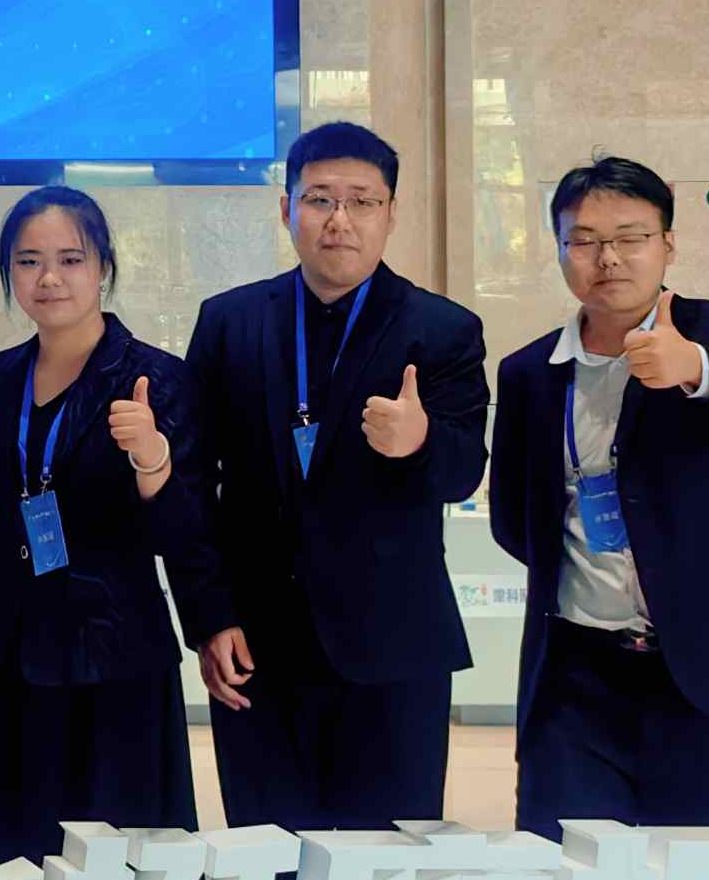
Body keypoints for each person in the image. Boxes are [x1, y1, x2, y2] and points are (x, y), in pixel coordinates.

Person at [490, 157, 709, 829]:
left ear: (667, 244)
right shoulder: (530, 370)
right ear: (558, 249)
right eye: (584, 240)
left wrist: (695, 368)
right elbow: (514, 517)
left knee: (696, 872)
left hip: (708, 664)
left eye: (630, 237)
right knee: (564, 866)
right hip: (576, 672)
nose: (607, 258)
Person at [179, 123, 490, 829]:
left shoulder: (443, 329)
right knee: (267, 859)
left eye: (362, 201)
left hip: (394, 649)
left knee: (385, 866)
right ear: (285, 208)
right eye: (319, 199)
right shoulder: (229, 322)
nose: (339, 220)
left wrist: (419, 442)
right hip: (255, 646)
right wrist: (209, 617)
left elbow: (463, 471)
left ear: (391, 213)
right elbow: (194, 484)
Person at [0, 184, 226, 880]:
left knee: (115, 860)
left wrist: (152, 460)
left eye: (70, 259)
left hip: (112, 654)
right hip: (4, 651)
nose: (50, 279)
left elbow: (184, 531)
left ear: (104, 266)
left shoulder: (154, 380)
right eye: (28, 262)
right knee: (17, 853)